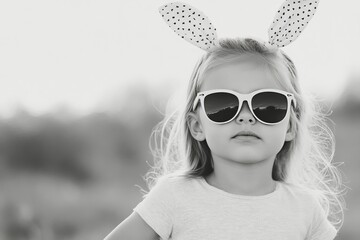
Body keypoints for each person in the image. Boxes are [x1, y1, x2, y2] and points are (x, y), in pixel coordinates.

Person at [104, 1, 346, 239]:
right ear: (197, 126)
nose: (245, 116)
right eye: (223, 104)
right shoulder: (174, 197)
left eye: (268, 105)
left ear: (291, 126)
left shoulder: (305, 209)